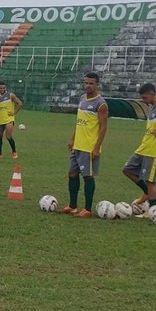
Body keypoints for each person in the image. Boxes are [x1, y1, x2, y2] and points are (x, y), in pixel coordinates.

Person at [122, 83, 156, 216]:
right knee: (127, 170)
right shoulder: (152, 107)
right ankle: (146, 193)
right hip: (144, 148)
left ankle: (151, 211)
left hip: (154, 150)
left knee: (150, 181)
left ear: (152, 94)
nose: (143, 101)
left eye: (145, 98)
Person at [61, 73, 108, 218]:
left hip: (89, 147)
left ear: (97, 84)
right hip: (78, 145)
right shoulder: (82, 99)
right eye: (86, 83)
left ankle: (87, 209)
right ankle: (73, 206)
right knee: (72, 174)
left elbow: (103, 127)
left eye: (91, 83)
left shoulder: (101, 104)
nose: (87, 86)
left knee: (87, 177)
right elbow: (79, 122)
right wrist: (72, 139)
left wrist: (96, 148)